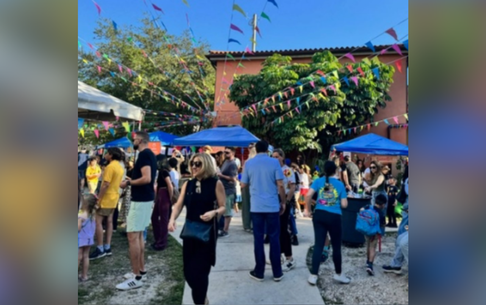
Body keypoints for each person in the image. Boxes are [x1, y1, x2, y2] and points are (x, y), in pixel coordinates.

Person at [168, 153, 226, 305]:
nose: (193, 166)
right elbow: (179, 204)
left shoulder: (216, 183)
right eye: (192, 163)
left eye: (198, 164)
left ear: (206, 165)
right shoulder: (188, 184)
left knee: (200, 273)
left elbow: (223, 207)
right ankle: (202, 299)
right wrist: (172, 219)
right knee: (188, 273)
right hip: (190, 233)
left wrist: (214, 212)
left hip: (207, 234)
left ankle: (200, 302)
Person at [241, 141, 287, 282]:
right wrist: (283, 201)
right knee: (274, 238)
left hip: (256, 206)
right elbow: (280, 184)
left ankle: (259, 271)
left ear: (256, 149)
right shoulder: (274, 163)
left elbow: (243, 184)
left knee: (258, 239)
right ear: (267, 149)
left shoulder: (249, 163)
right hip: (272, 205)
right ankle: (277, 272)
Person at [117, 131, 157, 291]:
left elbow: (147, 178)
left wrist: (129, 183)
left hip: (141, 200)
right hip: (144, 199)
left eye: (134, 139)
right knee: (138, 235)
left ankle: (136, 277)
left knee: (132, 236)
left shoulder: (144, 155)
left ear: (139, 140)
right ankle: (141, 270)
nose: (132, 142)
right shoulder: (149, 154)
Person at [304, 160, 351, 285]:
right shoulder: (340, 184)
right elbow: (344, 204)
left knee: (319, 245)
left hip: (319, 215)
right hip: (334, 217)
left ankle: (313, 275)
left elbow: (308, 196)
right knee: (336, 246)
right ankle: (338, 274)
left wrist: (307, 209)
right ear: (335, 171)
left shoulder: (318, 181)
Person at [89, 148, 124, 260]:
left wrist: (98, 198)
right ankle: (107, 246)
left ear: (111, 155)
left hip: (106, 198)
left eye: (107, 153)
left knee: (98, 222)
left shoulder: (110, 167)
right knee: (109, 221)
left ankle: (100, 248)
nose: (105, 155)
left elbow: (105, 184)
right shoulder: (120, 166)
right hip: (114, 197)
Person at [272, 149, 297, 271]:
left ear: (282, 157)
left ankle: (289, 257)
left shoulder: (287, 170)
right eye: (273, 157)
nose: (275, 159)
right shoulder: (272, 169)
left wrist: (286, 201)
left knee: (283, 228)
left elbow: (292, 186)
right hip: (273, 199)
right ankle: (279, 254)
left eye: (277, 156)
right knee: (275, 229)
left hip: (284, 199)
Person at [361, 194, 387, 276]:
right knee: (373, 247)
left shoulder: (368, 207)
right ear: (383, 204)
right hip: (375, 233)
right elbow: (382, 225)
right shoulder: (381, 213)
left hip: (366, 231)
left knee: (368, 246)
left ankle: (367, 261)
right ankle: (370, 265)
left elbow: (361, 209)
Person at [152, 155, 173, 251]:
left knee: (163, 219)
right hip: (161, 194)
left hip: (164, 194)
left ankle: (162, 242)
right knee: (155, 217)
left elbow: (169, 185)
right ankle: (159, 239)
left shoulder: (164, 172)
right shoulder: (162, 172)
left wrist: (170, 197)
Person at [217, 147, 238, 237]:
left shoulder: (233, 164)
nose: (225, 154)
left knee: (227, 211)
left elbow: (233, 179)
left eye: (227, 152)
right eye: (225, 152)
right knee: (222, 209)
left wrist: (221, 175)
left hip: (229, 190)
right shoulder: (226, 162)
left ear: (233, 153)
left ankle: (225, 230)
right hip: (223, 189)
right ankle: (222, 228)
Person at [78, 194, 97, 282]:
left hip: (80, 239)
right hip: (89, 239)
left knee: (78, 257)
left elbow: (78, 228)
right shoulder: (93, 215)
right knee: (86, 256)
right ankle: (84, 275)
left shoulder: (81, 216)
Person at [241, 143, 256, 232]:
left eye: (250, 148)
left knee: (246, 205)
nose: (248, 149)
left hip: (247, 184)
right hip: (255, 184)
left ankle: (247, 224)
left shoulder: (247, 162)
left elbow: (244, 175)